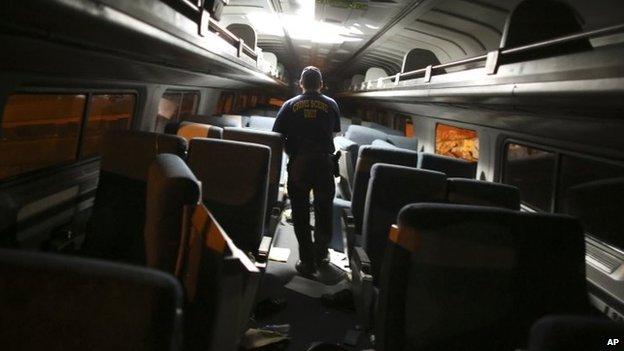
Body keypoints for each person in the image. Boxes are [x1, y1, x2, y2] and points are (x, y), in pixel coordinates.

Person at [273, 66, 341, 277]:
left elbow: (277, 136)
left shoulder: (289, 105)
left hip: (299, 165)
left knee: (300, 212)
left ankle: (306, 261)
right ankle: (321, 255)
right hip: (323, 164)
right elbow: (335, 132)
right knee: (324, 210)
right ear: (321, 85)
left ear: (301, 83)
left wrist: (292, 154)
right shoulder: (331, 104)